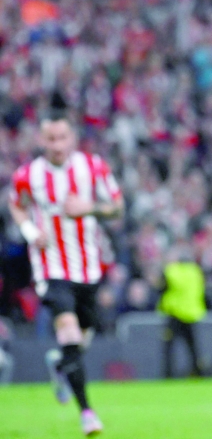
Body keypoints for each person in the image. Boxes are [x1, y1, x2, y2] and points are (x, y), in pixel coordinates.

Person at [7, 105, 123, 436]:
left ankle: (60, 365)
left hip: (88, 268)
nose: (57, 145)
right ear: (41, 139)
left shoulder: (93, 167)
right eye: (50, 139)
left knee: (82, 338)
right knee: (69, 333)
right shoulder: (28, 175)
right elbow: (16, 205)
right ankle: (87, 412)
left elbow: (117, 207)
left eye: (62, 137)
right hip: (51, 267)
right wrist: (30, 231)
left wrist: (90, 208)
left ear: (72, 138)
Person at [158, 244, 207, 378]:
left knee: (169, 346)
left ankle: (168, 374)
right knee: (192, 346)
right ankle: (197, 371)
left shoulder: (171, 271)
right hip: (191, 313)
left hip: (174, 313)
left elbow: (161, 288)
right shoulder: (196, 271)